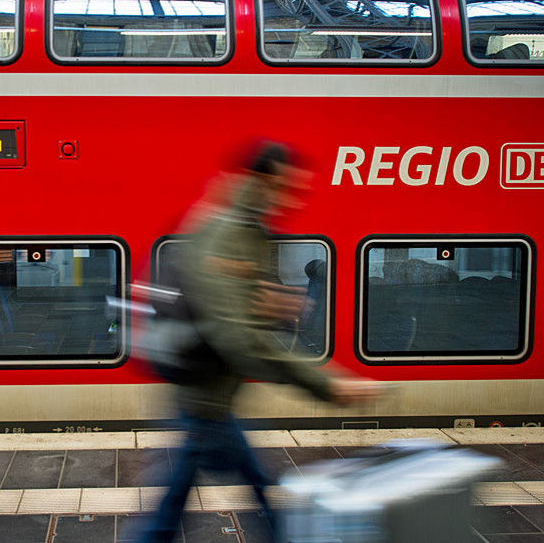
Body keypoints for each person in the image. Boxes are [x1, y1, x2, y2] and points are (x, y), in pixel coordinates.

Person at [138, 142, 379, 542]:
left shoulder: (243, 226)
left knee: (238, 488)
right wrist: (327, 384)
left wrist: (267, 305)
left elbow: (228, 306)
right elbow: (238, 336)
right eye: (287, 187)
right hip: (205, 399)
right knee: (193, 503)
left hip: (211, 397)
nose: (293, 199)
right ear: (263, 180)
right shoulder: (232, 232)